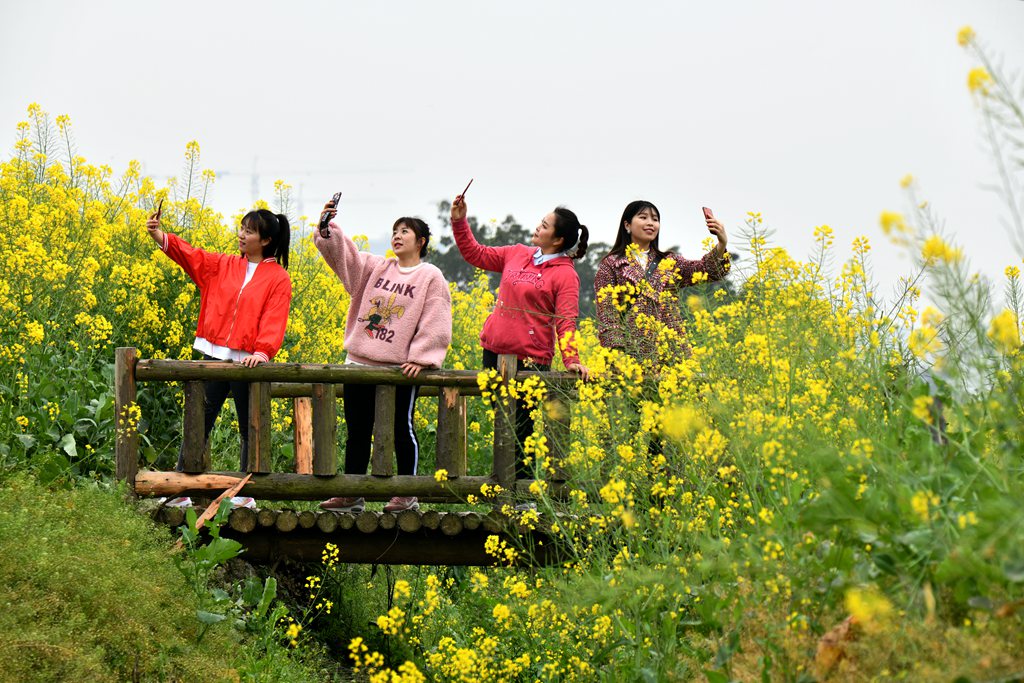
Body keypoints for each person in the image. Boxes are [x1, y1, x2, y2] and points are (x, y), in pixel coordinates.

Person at [146, 207, 292, 506]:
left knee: (249, 427)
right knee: (198, 422)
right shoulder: (223, 265)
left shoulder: (278, 278)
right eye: (241, 228)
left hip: (246, 363)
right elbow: (191, 255)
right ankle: (182, 490)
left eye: (249, 231)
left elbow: (275, 318)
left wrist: (262, 352)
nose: (241, 234)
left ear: (265, 240)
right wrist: (159, 236)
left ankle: (245, 493)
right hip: (212, 356)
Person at [314, 200, 452, 513]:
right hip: (359, 365)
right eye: (395, 231)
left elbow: (437, 319)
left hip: (399, 370)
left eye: (406, 231)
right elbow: (344, 258)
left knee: (402, 429)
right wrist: (327, 229)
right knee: (358, 431)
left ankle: (407, 492)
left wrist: (422, 356)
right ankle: (351, 494)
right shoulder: (377, 267)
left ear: (421, 242)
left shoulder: (430, 276)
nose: (398, 236)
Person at [450, 195, 590, 484]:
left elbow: (566, 320)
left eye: (545, 225)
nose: (537, 227)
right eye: (540, 222)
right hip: (494, 351)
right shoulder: (516, 253)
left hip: (531, 359)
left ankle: (523, 493)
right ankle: (503, 488)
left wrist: (572, 360)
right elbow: (475, 254)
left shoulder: (565, 275)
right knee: (503, 424)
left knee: (521, 427)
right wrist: (459, 221)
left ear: (559, 239)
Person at [594, 200, 729, 363]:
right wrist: (617, 355)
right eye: (643, 217)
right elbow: (607, 315)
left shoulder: (670, 262)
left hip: (672, 355)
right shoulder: (611, 264)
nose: (650, 223)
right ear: (627, 225)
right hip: (630, 357)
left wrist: (722, 243)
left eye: (655, 219)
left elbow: (708, 270)